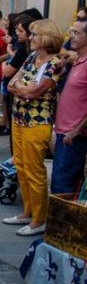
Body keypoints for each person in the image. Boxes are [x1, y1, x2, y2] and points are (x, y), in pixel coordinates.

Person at [4, 20, 66, 236]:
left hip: (37, 123)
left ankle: (39, 219)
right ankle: (27, 212)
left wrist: (23, 89)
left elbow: (34, 92)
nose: (30, 38)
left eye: (34, 35)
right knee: (20, 166)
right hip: (19, 118)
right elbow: (12, 84)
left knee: (34, 171)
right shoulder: (32, 57)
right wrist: (24, 89)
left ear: (46, 37)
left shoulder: (56, 62)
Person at [51, 15, 87, 195]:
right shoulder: (77, 61)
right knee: (60, 182)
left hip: (73, 136)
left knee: (61, 185)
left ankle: (62, 223)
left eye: (76, 33)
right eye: (71, 31)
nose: (71, 36)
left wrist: (76, 131)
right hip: (63, 131)